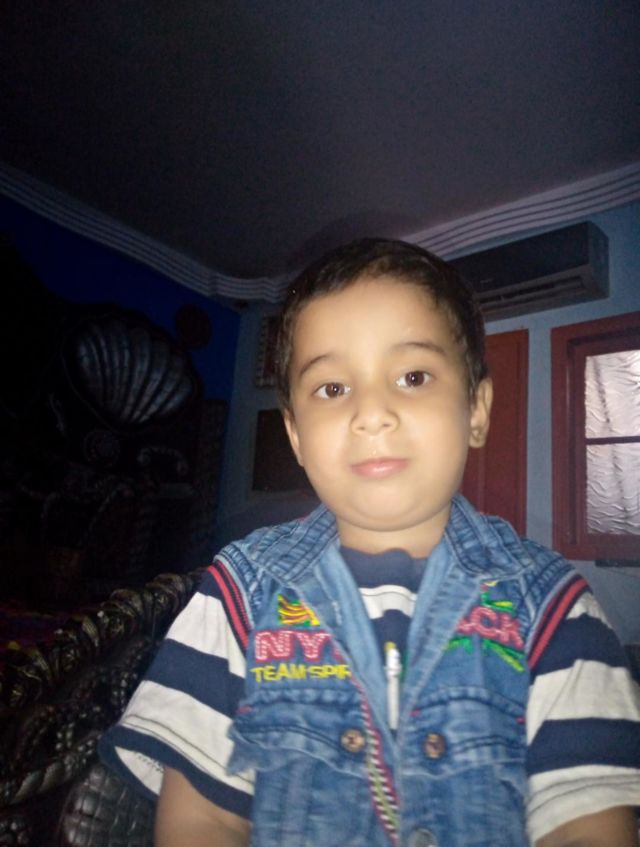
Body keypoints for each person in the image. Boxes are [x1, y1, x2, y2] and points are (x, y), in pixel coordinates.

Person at [100, 238, 640, 847]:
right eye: (332, 389)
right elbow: (203, 820)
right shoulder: (238, 595)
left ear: (476, 409)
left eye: (412, 377)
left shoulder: (555, 611)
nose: (372, 413)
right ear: (296, 435)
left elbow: (587, 829)